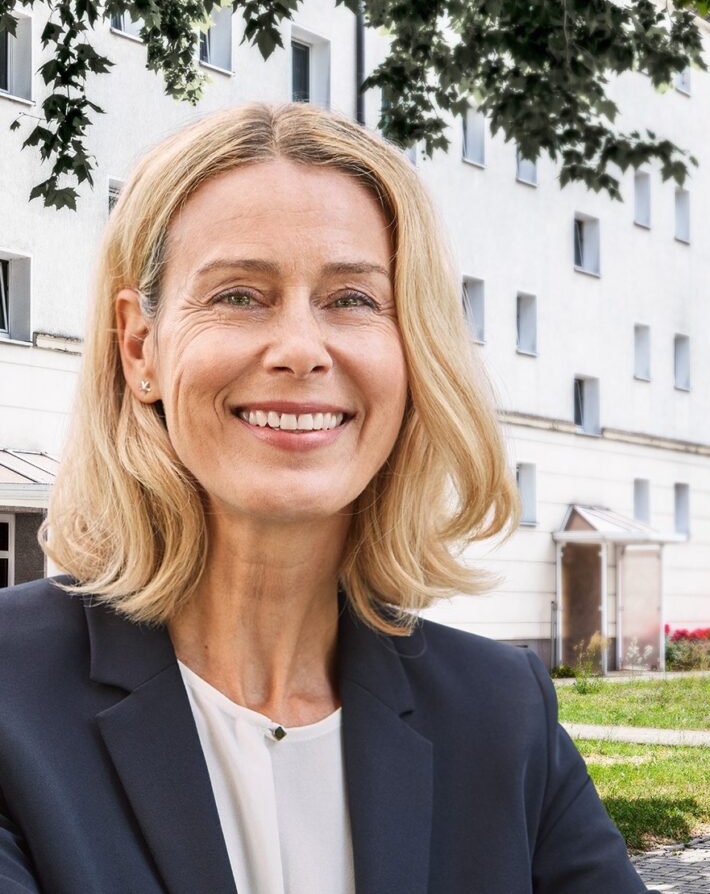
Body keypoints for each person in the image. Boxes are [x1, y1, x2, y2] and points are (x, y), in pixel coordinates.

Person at [0, 103, 651, 894]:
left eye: (352, 299)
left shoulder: (504, 716)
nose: (302, 351)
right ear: (141, 347)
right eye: (239, 295)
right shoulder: (12, 692)